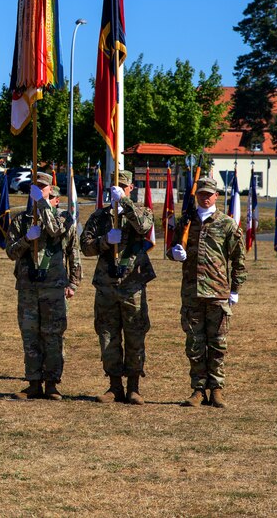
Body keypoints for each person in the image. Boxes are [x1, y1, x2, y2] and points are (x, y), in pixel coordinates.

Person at [169, 176, 247, 408]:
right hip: (192, 293)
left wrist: (235, 289)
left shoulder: (227, 224)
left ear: (216, 196)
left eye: (209, 194)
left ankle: (217, 390)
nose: (205, 198)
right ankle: (198, 390)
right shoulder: (186, 222)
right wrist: (174, 253)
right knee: (194, 344)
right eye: (201, 194)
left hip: (217, 292)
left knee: (217, 344)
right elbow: (173, 248)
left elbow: (238, 260)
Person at [79, 170, 156, 404]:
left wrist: (123, 202)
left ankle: (134, 386)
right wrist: (104, 242)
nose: (119, 190)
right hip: (106, 285)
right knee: (107, 336)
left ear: (131, 188)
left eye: (124, 187)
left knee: (135, 335)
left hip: (132, 285)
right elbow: (86, 247)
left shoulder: (142, 211)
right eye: (116, 187)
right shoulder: (100, 217)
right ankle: (114, 386)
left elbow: (143, 227)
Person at [5, 172, 81, 400]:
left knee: (53, 335)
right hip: (28, 286)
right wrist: (27, 239)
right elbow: (11, 252)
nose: (39, 189)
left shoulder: (64, 216)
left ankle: (52, 383)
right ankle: (33, 382)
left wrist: (73, 283)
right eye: (35, 187)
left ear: (51, 189)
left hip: (53, 285)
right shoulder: (20, 220)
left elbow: (60, 235)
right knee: (30, 335)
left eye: (43, 187)